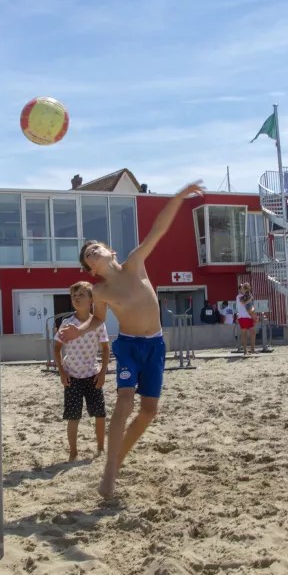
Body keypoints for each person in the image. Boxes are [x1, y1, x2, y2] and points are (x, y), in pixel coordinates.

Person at [58, 181, 205, 498]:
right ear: (91, 268)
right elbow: (97, 319)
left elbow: (159, 228)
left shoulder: (136, 261)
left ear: (110, 251)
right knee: (125, 401)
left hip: (155, 345)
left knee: (150, 410)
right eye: (88, 254)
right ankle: (110, 472)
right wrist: (79, 331)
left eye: (96, 247)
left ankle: (118, 458)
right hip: (128, 347)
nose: (93, 251)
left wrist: (178, 196)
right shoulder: (100, 290)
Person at [53, 281, 110, 461]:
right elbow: (56, 348)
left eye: (81, 295)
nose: (77, 299)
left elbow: (106, 348)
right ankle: (73, 452)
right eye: (74, 296)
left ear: (91, 300)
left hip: (92, 374)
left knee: (99, 413)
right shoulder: (66, 323)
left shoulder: (98, 322)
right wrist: (62, 371)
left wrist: (102, 372)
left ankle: (101, 448)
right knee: (73, 416)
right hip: (72, 376)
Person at [234, 282, 258, 354]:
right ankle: (245, 350)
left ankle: (252, 350)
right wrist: (250, 299)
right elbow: (242, 302)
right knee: (244, 334)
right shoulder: (239, 296)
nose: (243, 289)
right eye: (242, 288)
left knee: (253, 333)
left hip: (248, 316)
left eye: (244, 288)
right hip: (243, 316)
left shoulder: (246, 295)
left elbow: (250, 305)